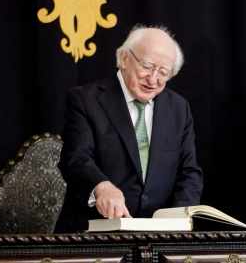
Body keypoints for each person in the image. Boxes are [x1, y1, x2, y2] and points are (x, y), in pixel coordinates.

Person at [55, 25, 203, 233]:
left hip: (160, 238)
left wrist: (175, 223)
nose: (153, 79)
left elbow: (189, 173)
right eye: (147, 66)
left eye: (163, 72)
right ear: (124, 58)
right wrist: (101, 186)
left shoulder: (178, 107)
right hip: (93, 234)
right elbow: (76, 158)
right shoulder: (86, 100)